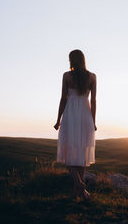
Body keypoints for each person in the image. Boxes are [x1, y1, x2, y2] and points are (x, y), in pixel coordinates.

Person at [54, 49, 97, 200]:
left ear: (72, 60)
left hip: (71, 114)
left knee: (68, 150)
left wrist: (58, 119)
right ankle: (79, 191)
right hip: (85, 115)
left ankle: (79, 184)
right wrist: (93, 121)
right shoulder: (92, 77)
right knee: (82, 152)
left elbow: (63, 98)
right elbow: (93, 101)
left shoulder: (67, 76)